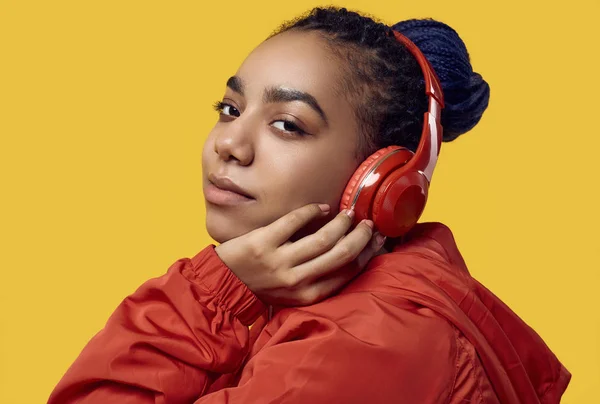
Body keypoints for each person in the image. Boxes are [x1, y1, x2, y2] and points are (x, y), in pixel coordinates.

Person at [48, 7, 571, 404]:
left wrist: (218, 289)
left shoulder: (369, 341)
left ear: (378, 179)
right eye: (230, 108)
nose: (229, 143)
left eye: (288, 124)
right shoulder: (294, 295)